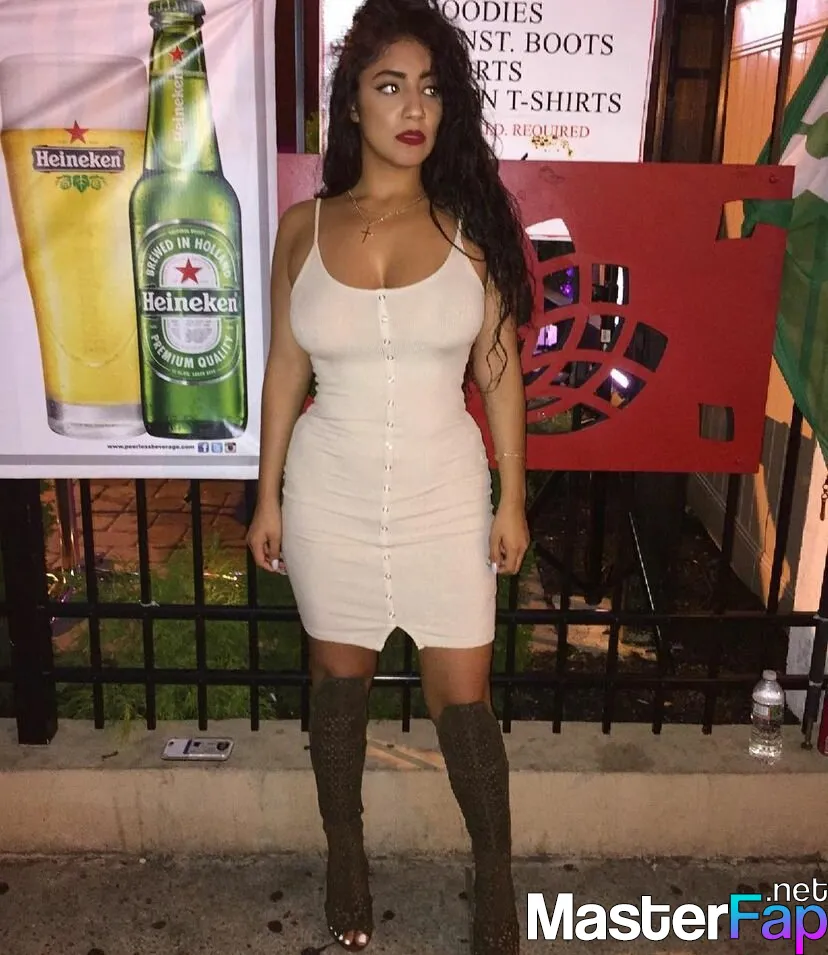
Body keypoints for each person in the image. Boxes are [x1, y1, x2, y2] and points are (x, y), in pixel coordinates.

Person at [246, 0, 532, 950]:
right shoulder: (303, 227)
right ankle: (346, 857)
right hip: (326, 491)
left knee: (464, 701)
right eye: (390, 85)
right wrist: (266, 493)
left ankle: (496, 882)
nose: (415, 108)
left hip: (445, 495)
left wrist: (513, 497)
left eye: (431, 89)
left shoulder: (468, 228)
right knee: (339, 689)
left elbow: (499, 369)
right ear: (352, 103)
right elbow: (285, 368)